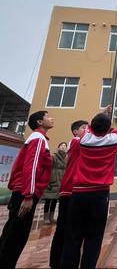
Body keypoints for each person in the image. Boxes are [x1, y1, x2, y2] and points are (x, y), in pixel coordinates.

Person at [60, 111, 117, 269]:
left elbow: (87, 129)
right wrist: (109, 123)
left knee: (72, 237)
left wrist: (100, 117)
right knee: (94, 238)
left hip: (79, 193)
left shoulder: (83, 140)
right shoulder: (114, 140)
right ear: (107, 128)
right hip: (100, 194)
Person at [0, 111, 54, 269]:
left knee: (13, 234)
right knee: (15, 237)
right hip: (25, 193)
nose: (51, 118)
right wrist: (29, 195)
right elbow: (31, 166)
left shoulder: (39, 138)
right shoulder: (38, 139)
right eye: (47, 116)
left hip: (24, 192)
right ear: (39, 122)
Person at [49, 119, 88, 269]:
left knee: (73, 230)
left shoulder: (83, 143)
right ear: (75, 132)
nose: (87, 130)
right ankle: (56, 262)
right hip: (68, 191)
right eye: (83, 128)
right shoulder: (76, 141)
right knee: (63, 229)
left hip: (77, 191)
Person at [43, 142, 68, 223]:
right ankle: (46, 217)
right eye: (61, 146)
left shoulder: (67, 157)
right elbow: (48, 168)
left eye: (64, 146)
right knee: (48, 200)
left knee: (54, 200)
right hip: (53, 179)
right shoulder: (53, 156)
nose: (63, 147)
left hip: (61, 179)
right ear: (58, 147)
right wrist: (48, 179)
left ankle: (51, 217)